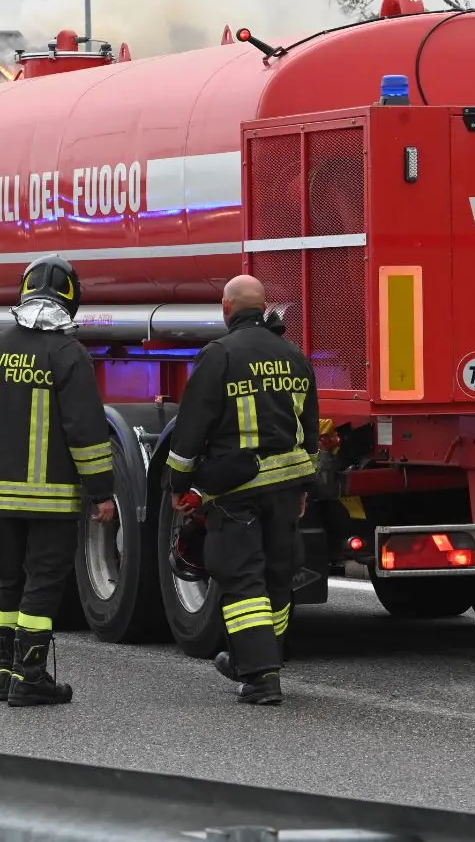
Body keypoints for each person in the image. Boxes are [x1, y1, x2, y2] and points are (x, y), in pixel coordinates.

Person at [0, 254, 116, 707]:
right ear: (71, 298)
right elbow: (86, 432)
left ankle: (6, 675)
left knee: (8, 583)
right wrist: (102, 493)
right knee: (43, 584)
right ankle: (31, 677)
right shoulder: (68, 354)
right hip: (50, 497)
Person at [162, 274, 319, 706]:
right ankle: (260, 656)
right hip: (287, 485)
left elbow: (192, 428)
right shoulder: (295, 355)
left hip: (237, 488)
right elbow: (309, 429)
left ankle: (260, 675)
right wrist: (304, 485)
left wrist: (179, 484)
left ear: (226, 308)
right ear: (264, 307)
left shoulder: (219, 355)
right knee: (277, 577)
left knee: (241, 577)